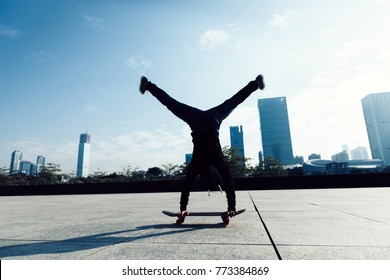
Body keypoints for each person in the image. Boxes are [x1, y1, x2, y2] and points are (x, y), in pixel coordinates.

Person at [139, 74, 265, 217]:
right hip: (199, 120)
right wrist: (231, 207)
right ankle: (148, 85)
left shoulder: (214, 161)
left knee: (232, 102)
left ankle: (255, 83)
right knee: (172, 104)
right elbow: (191, 184)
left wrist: (183, 208)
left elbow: (227, 183)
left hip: (211, 118)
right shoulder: (201, 162)